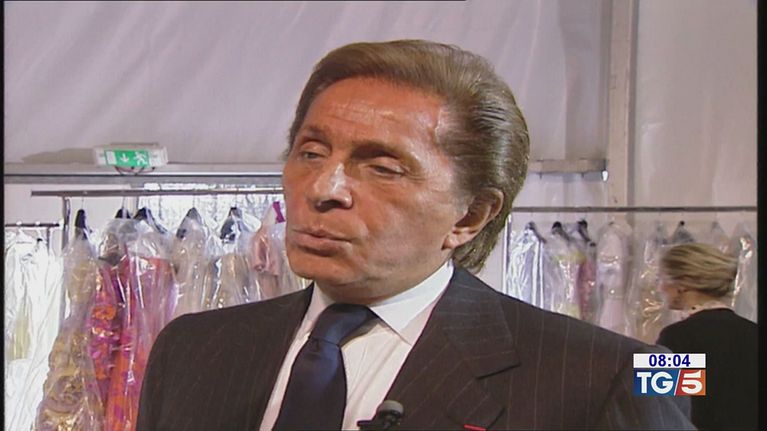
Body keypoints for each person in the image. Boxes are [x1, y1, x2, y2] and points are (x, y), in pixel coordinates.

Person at [136, 39, 693, 430]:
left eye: (382, 167)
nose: (324, 188)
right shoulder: (191, 349)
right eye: (310, 152)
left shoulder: (611, 375)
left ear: (470, 216)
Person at [656, 242, 757, 430]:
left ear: (682, 284)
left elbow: (657, 409)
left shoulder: (677, 336)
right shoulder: (753, 332)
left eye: (661, 279)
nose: (659, 288)